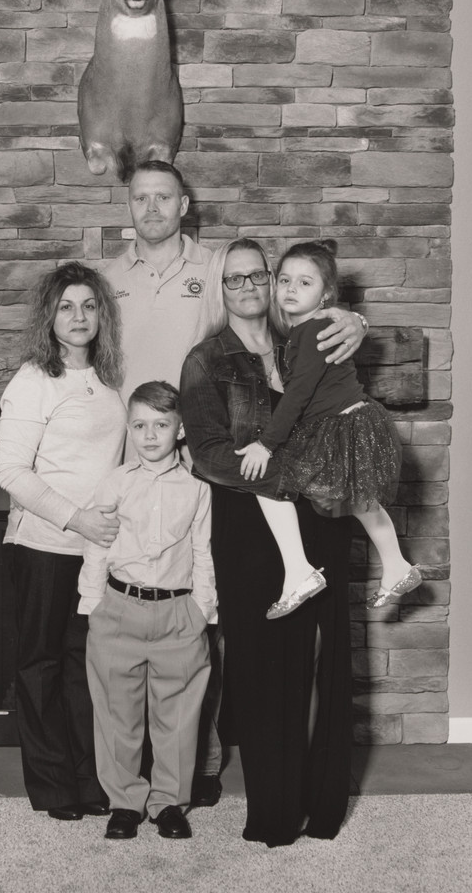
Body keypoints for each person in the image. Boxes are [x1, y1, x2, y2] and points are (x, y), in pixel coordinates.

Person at [103, 159, 368, 806]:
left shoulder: (218, 265)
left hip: (248, 488)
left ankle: (212, 770)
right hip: (160, 470)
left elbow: (300, 301)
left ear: (185, 202)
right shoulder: (109, 278)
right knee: (154, 622)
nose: (153, 208)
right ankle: (135, 780)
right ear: (127, 204)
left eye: (164, 196)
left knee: (227, 634)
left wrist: (352, 321)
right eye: (140, 197)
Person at [179, 237, 358, 846]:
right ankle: (275, 811)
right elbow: (205, 454)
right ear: (221, 289)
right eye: (235, 278)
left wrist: (353, 319)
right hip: (252, 528)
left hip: (318, 518)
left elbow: (340, 401)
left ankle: (322, 800)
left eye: (260, 274)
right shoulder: (206, 360)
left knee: (319, 661)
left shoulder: (304, 337)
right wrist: (290, 474)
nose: (250, 285)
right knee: (261, 666)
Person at [0, 261, 127, 820]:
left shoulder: (105, 378)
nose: (79, 317)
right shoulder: (32, 381)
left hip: (95, 551)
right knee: (41, 665)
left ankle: (88, 780)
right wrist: (78, 519)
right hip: (44, 546)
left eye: (89, 306)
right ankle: (53, 789)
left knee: (82, 668)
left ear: (102, 315)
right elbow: (12, 473)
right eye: (67, 306)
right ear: (49, 315)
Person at [237, 240, 421, 619]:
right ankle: (397, 564)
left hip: (341, 426)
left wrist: (266, 444)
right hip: (350, 422)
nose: (290, 289)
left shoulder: (314, 331)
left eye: (305, 283)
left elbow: (299, 394)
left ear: (327, 295)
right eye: (285, 280)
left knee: (267, 478)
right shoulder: (303, 330)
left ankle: (299, 570)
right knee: (363, 502)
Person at [78, 381, 215, 841]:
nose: (150, 435)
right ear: (129, 430)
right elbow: (97, 545)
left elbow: (203, 550)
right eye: (139, 425)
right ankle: (125, 803)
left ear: (180, 430)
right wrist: (94, 604)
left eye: (161, 424)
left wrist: (202, 609)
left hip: (178, 613)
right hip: (119, 609)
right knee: (118, 714)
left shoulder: (198, 488)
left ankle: (169, 804)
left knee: (177, 716)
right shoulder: (116, 481)